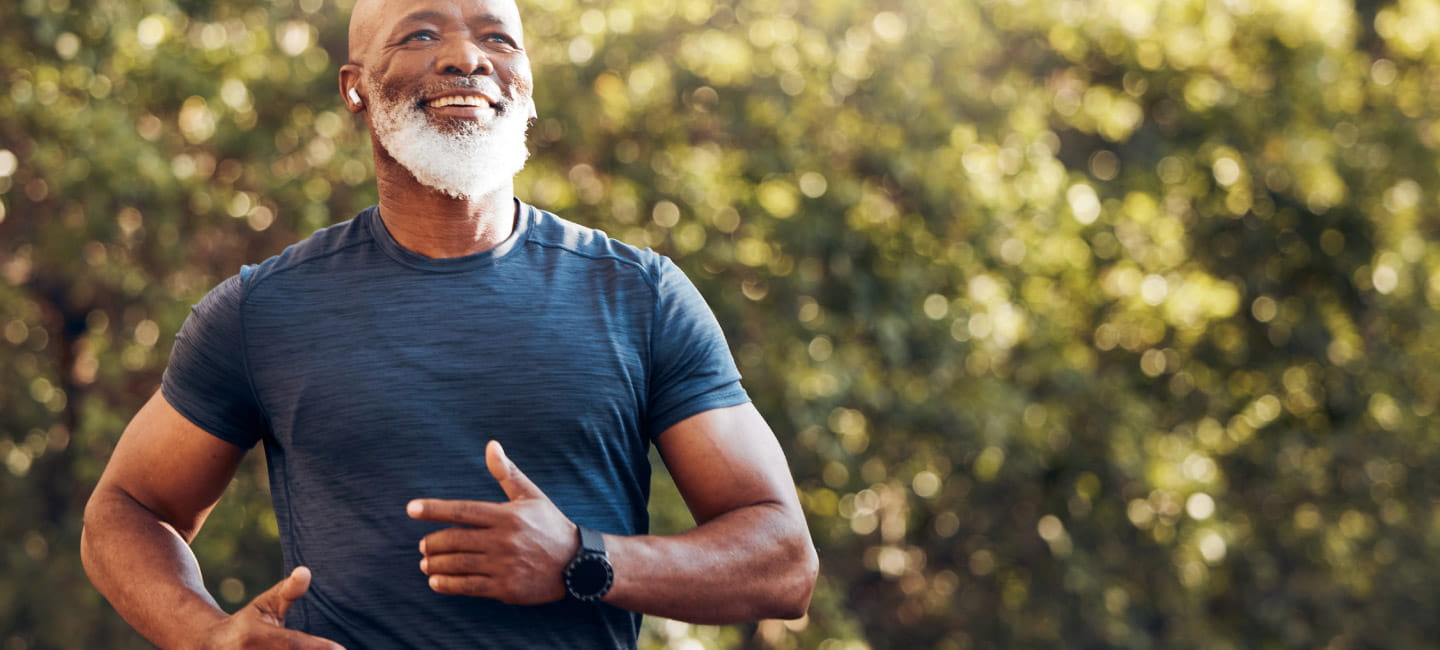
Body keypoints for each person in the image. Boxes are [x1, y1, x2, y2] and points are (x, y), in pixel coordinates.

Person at [79, 0, 818, 647]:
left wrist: (583, 559)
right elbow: (127, 509)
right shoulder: (262, 309)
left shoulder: (641, 296)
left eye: (498, 38)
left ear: (527, 81)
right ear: (355, 87)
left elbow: (784, 563)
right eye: (421, 34)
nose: (466, 57)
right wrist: (202, 636)